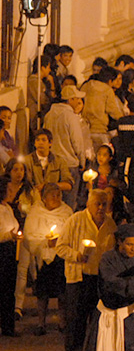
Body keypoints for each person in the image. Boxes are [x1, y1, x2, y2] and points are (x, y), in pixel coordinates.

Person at [56, 188, 117, 351]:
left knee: (97, 321)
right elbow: (60, 246)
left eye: (104, 204)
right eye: (97, 204)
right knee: (76, 322)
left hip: (98, 280)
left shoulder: (110, 225)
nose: (101, 208)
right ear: (89, 204)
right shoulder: (76, 220)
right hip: (79, 279)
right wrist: (76, 255)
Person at [85, 223, 134, 351]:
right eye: (129, 244)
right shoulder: (107, 258)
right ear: (120, 242)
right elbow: (110, 282)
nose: (133, 249)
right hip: (107, 314)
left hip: (128, 317)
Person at [18, 182, 71, 332]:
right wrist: (45, 242)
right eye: (52, 195)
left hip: (61, 258)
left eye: (58, 195)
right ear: (44, 198)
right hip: (43, 260)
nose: (56, 198)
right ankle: (41, 323)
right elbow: (30, 235)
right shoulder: (36, 212)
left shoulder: (66, 212)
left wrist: (60, 242)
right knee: (43, 293)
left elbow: (72, 232)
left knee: (62, 292)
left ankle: (62, 322)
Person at [43, 85, 87, 207]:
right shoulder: (70, 117)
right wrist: (82, 161)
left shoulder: (49, 115)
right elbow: (77, 142)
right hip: (69, 164)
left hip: (52, 164)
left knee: (53, 203)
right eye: (76, 98)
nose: (79, 101)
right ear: (70, 99)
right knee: (68, 204)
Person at [23, 129, 74, 202]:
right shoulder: (27, 161)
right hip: (33, 201)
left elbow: (68, 185)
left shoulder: (59, 161)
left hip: (54, 201)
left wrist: (49, 186)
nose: (40, 143)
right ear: (34, 143)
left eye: (43, 140)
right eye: (38, 140)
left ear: (50, 143)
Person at [0, 175, 22, 336]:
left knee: (8, 290)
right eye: (8, 189)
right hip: (2, 251)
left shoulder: (7, 208)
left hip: (9, 252)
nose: (12, 191)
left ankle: (8, 326)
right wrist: (9, 235)